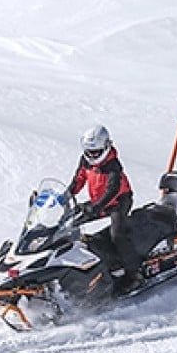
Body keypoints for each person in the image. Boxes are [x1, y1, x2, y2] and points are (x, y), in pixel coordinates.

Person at [70, 124, 138, 291]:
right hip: (98, 201)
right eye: (89, 152)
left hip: (118, 202)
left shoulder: (113, 165)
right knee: (69, 221)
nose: (92, 156)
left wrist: (97, 207)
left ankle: (133, 273)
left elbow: (112, 190)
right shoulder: (86, 160)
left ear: (106, 147)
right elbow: (78, 179)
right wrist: (66, 195)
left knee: (117, 235)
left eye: (96, 152)